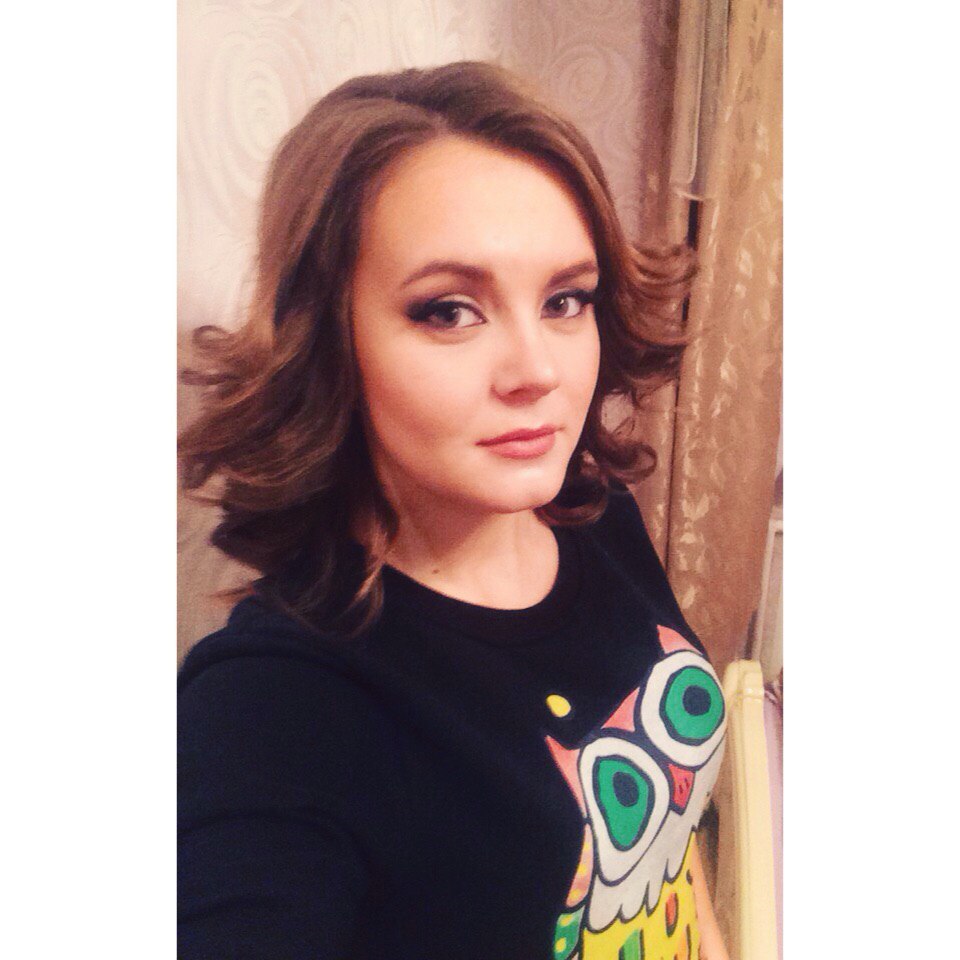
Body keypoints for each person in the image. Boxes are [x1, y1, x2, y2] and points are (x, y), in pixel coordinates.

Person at [178, 60, 730, 960]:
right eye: (448, 312)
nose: (537, 371)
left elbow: (659, 851)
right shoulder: (272, 711)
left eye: (565, 300)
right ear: (329, 337)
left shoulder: (598, 519)